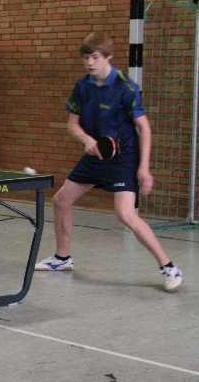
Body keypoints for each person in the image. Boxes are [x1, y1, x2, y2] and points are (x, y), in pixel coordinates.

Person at [35, 32, 183, 292]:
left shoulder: (125, 87)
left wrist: (144, 167)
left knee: (125, 214)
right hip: (95, 155)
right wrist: (86, 140)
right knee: (61, 200)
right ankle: (62, 258)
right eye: (85, 58)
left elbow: (144, 128)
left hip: (123, 158)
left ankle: (169, 267)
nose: (90, 63)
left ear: (108, 56)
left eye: (95, 57)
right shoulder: (83, 85)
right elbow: (72, 124)